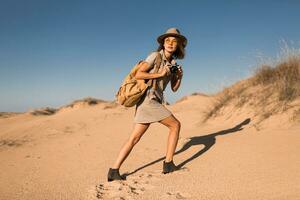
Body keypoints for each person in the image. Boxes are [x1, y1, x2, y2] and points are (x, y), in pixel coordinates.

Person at [107, 28, 187, 182]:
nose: (170, 43)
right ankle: (168, 164)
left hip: (154, 101)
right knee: (175, 125)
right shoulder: (155, 56)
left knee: (134, 138)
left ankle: (113, 170)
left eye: (174, 41)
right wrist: (159, 74)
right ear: (163, 43)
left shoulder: (172, 63)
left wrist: (179, 77)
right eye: (168, 41)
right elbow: (139, 74)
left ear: (178, 45)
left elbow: (174, 89)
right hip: (148, 100)